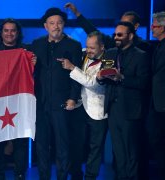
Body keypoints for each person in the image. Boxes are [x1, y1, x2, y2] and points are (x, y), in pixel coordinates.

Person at [30, 7, 82, 180]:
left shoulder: (73, 45)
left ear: (64, 25)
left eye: (59, 23)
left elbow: (77, 74)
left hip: (62, 103)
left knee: (63, 146)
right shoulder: (37, 44)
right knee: (42, 147)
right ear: (46, 26)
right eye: (52, 23)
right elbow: (32, 72)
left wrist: (73, 98)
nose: (56, 26)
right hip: (41, 103)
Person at [96, 21, 150, 180]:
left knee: (131, 152)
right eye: (115, 34)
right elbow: (104, 77)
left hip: (130, 110)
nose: (116, 37)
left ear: (131, 36)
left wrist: (122, 78)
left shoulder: (141, 56)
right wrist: (100, 78)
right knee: (118, 152)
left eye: (120, 35)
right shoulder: (111, 53)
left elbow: (144, 83)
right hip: (113, 109)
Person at [0, 18, 36, 180]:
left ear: (18, 33)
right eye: (6, 30)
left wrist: (33, 64)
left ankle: (20, 174)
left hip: (19, 102)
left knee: (20, 140)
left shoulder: (26, 51)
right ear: (1, 33)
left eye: (12, 30)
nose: (9, 33)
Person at [60, 31, 108, 180]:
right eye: (87, 47)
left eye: (92, 48)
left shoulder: (108, 61)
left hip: (98, 111)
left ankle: (90, 176)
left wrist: (72, 68)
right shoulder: (82, 54)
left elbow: (94, 83)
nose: (89, 50)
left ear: (102, 47)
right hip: (80, 108)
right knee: (76, 144)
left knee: (95, 148)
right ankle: (75, 174)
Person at [64, 2, 151, 54]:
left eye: (126, 24)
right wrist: (77, 13)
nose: (122, 27)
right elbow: (94, 32)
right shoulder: (114, 42)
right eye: (121, 23)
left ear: (136, 26)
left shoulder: (143, 47)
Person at [148, 11, 165, 180]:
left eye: (154, 26)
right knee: (156, 140)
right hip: (156, 103)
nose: (152, 28)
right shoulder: (157, 46)